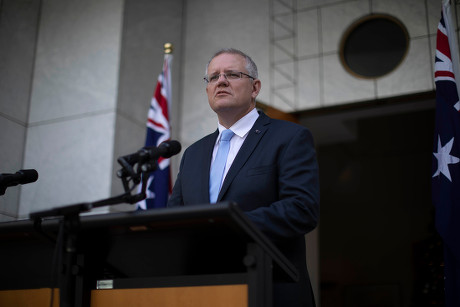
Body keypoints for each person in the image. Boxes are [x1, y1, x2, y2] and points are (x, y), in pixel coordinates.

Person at [167, 48, 320, 307]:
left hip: (270, 291)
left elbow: (301, 209)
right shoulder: (193, 154)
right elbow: (174, 221)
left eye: (232, 74)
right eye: (213, 77)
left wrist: (229, 227)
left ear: (255, 87)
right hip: (203, 293)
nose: (221, 81)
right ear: (207, 90)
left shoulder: (289, 137)